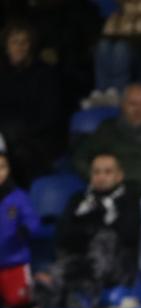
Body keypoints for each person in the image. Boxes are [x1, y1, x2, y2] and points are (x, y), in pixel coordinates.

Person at [73, 83, 141, 274]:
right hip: (114, 193)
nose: (138, 109)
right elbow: (81, 157)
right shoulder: (107, 130)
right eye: (133, 104)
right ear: (123, 105)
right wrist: (97, 177)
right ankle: (91, 271)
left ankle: (135, 272)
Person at [33, 153, 141, 308]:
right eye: (96, 172)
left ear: (119, 176)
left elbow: (128, 235)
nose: (101, 177)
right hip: (78, 262)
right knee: (61, 267)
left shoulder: (129, 200)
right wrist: (92, 224)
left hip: (117, 267)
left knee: (105, 238)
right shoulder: (78, 200)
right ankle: (70, 296)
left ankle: (68, 285)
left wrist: (89, 226)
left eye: (107, 172)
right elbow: (63, 235)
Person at [0, 23, 66, 188]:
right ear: (7, 47)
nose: (20, 47)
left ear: (31, 46)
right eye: (15, 42)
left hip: (36, 140)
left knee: (20, 153)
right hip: (5, 137)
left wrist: (21, 132)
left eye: (24, 42)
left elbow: (50, 115)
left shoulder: (45, 74)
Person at [88, 0, 141, 105]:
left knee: (121, 47)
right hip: (122, 56)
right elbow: (107, 36)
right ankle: (102, 91)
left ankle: (119, 92)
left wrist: (130, 42)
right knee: (103, 46)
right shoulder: (118, 14)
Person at [0, 149, 39, 308]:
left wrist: (25, 229)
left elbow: (33, 221)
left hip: (15, 265)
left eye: (1, 167)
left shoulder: (18, 197)